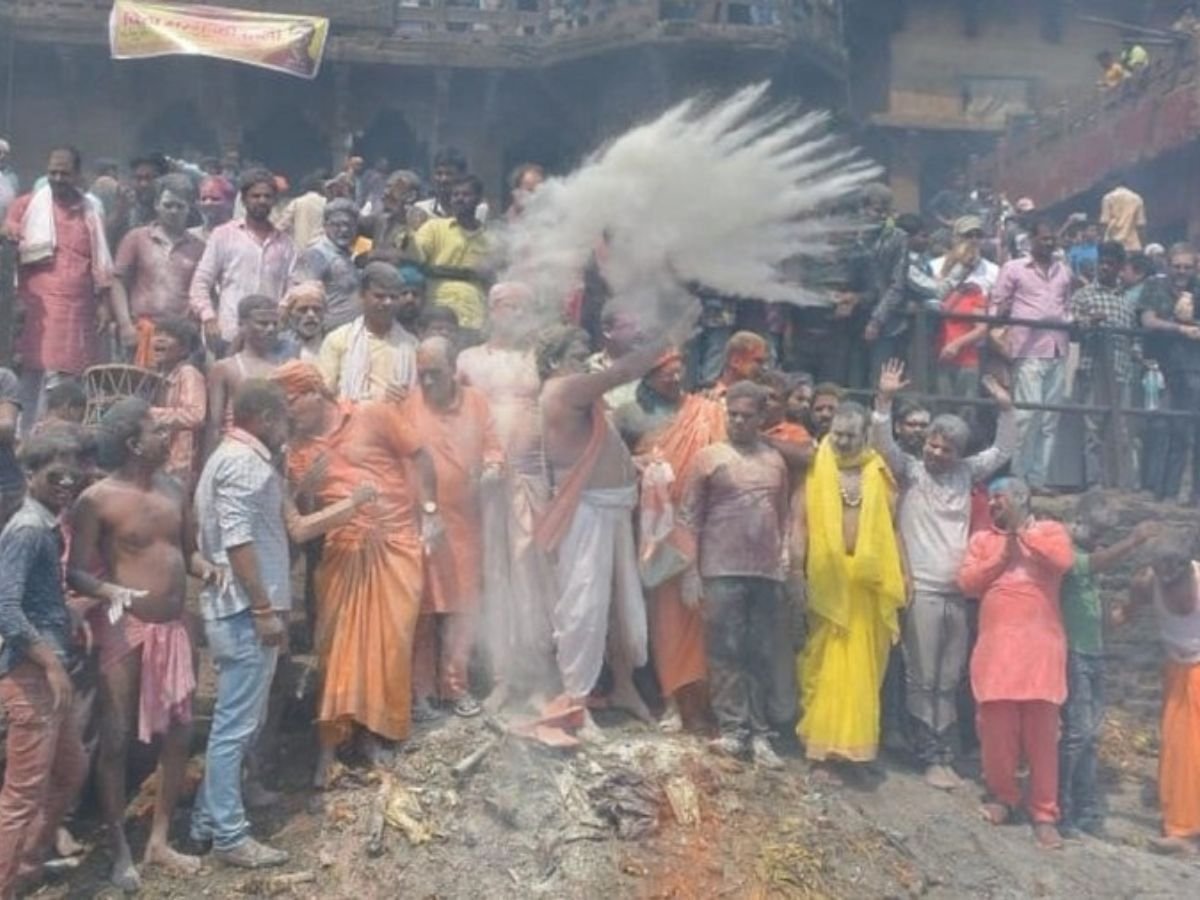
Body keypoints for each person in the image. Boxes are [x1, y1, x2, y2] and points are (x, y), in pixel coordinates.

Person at [191, 379, 373, 867]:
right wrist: (263, 610)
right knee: (234, 725)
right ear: (267, 418)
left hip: (246, 608)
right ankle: (229, 835)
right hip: (245, 613)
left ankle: (209, 820)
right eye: (284, 421)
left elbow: (287, 527)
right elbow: (239, 542)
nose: (288, 431)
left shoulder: (243, 462)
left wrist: (321, 497)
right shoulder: (242, 465)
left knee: (241, 720)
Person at [271, 362, 440, 785]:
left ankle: (373, 736)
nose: (288, 415)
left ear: (314, 392)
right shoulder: (295, 451)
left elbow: (420, 456)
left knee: (390, 645)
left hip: (397, 544)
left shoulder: (373, 414)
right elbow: (303, 520)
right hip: (343, 553)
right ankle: (329, 746)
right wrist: (303, 490)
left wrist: (431, 512)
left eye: (290, 403)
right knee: (341, 651)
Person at [66, 399, 207, 889]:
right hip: (124, 628)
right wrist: (111, 592)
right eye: (156, 429)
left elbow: (188, 555)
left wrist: (210, 569)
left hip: (174, 628)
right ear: (133, 444)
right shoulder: (97, 499)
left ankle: (160, 841)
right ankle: (119, 847)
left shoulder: (175, 487)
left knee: (181, 732)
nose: (167, 434)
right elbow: (77, 570)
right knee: (118, 735)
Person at [535, 322, 685, 732]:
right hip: (587, 514)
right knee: (584, 606)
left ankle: (623, 687)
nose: (583, 361)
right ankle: (576, 703)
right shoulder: (564, 390)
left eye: (585, 354)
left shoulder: (581, 394)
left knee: (619, 605)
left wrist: (633, 467)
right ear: (553, 361)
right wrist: (668, 335)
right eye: (575, 355)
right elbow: (622, 372)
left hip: (613, 510)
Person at [873, 361, 1016, 789]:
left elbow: (1003, 451)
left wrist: (1006, 409)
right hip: (921, 591)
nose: (936, 453)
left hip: (958, 592)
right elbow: (882, 442)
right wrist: (884, 399)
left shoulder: (965, 474)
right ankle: (930, 755)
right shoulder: (911, 471)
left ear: (958, 453)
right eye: (933, 445)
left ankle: (946, 753)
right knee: (922, 675)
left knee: (950, 678)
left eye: (945, 449)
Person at [457, 283, 558, 709]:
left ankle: (538, 679)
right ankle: (501, 677)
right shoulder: (469, 360)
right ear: (491, 311)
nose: (513, 314)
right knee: (495, 576)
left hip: (533, 478)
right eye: (506, 307)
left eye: (522, 307)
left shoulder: (539, 358)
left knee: (533, 578)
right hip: (487, 481)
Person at [958, 477, 1073, 849]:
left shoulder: (1050, 531)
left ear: (1022, 499)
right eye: (990, 499)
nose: (992, 504)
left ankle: (1044, 812)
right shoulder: (982, 540)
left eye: (999, 498)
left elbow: (1062, 561)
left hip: (1041, 651)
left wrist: (1023, 533)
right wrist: (1004, 552)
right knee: (996, 731)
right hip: (997, 653)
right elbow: (968, 583)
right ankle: (1003, 796)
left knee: (1043, 738)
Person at [681, 381, 792, 765]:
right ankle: (732, 730)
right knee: (725, 651)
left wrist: (784, 557)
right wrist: (690, 573)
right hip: (720, 569)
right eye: (734, 415)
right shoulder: (709, 457)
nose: (739, 422)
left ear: (762, 418)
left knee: (760, 653)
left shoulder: (774, 460)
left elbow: (782, 513)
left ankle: (760, 734)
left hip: (764, 570)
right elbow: (689, 517)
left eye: (748, 416)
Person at [615, 349, 726, 731]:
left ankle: (707, 703)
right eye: (666, 376)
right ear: (647, 377)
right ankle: (674, 699)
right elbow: (613, 462)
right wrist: (638, 467)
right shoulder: (631, 415)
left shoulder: (707, 410)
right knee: (667, 617)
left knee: (704, 615)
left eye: (680, 373)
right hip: (658, 529)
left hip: (707, 524)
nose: (675, 381)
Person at [0, 429, 88, 899]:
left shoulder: (45, 525)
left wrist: (68, 615)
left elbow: (36, 597)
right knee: (22, 793)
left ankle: (26, 865)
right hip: (32, 676)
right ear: (30, 475)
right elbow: (6, 608)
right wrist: (51, 664)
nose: (67, 483)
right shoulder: (29, 530)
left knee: (70, 770)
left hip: (46, 670)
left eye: (73, 475)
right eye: (56, 475)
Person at [799, 402, 905, 773]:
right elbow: (800, 520)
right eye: (837, 434)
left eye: (850, 436)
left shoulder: (877, 470)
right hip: (828, 579)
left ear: (864, 436)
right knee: (824, 666)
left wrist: (905, 574)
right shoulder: (815, 464)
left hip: (866, 582)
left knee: (862, 670)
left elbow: (892, 527)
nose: (842, 442)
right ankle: (820, 750)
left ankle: (855, 750)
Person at [407, 337, 502, 720]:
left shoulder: (477, 403)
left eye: (435, 374)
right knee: (424, 610)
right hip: (422, 521)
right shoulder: (408, 405)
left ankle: (455, 687)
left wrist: (493, 468)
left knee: (462, 610)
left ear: (454, 372)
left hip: (465, 524)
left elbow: (495, 448)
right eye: (422, 375)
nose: (427, 383)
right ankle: (421, 693)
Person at [1057, 499, 1157, 838]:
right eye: (1097, 532)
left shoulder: (1091, 569)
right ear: (1078, 521)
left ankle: (1085, 808)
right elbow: (1097, 562)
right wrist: (1134, 540)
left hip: (1094, 654)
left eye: (1105, 534)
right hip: (1072, 655)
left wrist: (1136, 602)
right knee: (1076, 734)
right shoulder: (1064, 552)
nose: (1100, 539)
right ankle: (1061, 806)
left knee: (1091, 736)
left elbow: (1106, 625)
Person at [3, 146, 112, 436]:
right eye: (52, 172)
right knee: (31, 374)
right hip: (35, 304)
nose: (57, 177)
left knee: (66, 375)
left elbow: (99, 257)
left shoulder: (89, 210)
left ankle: (57, 436)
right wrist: (10, 231)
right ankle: (22, 438)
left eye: (64, 173)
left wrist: (103, 302)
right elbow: (9, 225)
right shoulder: (27, 204)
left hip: (78, 305)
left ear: (77, 175)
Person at [1121, 541, 1200, 853]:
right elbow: (1126, 613)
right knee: (1178, 749)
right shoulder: (1146, 584)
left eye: (1176, 576)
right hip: (1178, 671)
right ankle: (1182, 828)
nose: (1169, 581)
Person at [990, 219, 1072, 491]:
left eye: (1052, 239)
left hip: (1057, 348)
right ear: (1032, 240)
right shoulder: (1014, 269)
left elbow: (1066, 306)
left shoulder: (1063, 271)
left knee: (1049, 419)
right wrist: (998, 341)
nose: (1049, 243)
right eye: (1045, 238)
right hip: (1027, 350)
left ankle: (1039, 479)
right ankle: (1018, 477)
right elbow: (998, 306)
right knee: (1027, 416)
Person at [189, 168, 296, 350]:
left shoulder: (286, 244)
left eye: (267, 196)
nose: (262, 201)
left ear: (274, 201)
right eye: (255, 196)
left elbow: (293, 288)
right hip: (228, 335)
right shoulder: (223, 235)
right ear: (244, 199)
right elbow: (200, 282)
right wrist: (208, 317)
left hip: (269, 338)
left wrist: (282, 313)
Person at [111, 174, 205, 366]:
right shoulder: (137, 238)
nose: (173, 211)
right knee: (138, 389)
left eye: (180, 206)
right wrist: (125, 325)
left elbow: (204, 291)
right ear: (156, 205)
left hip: (181, 336)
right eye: (168, 205)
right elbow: (117, 281)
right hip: (142, 330)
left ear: (189, 209)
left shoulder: (198, 247)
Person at [1138, 244, 1200, 503]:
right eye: (1177, 266)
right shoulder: (1155, 286)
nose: (1182, 272)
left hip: (1194, 368)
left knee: (1193, 432)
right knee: (1163, 429)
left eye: (1187, 267)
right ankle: (1161, 491)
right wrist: (1180, 329)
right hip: (1160, 369)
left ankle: (1195, 496)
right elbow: (1148, 321)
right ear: (1168, 265)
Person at [1072, 241, 1136, 488]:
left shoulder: (1126, 301)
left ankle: (1118, 481)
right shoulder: (1083, 295)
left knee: (1119, 428)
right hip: (1092, 368)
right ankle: (1094, 482)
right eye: (1103, 263)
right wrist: (1090, 321)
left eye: (1111, 264)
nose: (1105, 268)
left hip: (1120, 371)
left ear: (1119, 267)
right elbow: (1072, 328)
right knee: (1093, 428)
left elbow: (1133, 337)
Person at [317, 262, 420, 402]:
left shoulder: (411, 345)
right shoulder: (338, 340)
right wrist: (374, 401)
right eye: (380, 296)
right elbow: (324, 396)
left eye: (394, 297)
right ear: (362, 295)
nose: (387, 303)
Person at [414, 174, 491, 337]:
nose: (459, 199)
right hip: (437, 314)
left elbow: (492, 279)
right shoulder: (433, 228)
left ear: (479, 200)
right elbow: (414, 259)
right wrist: (465, 273)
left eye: (466, 195)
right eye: (455, 195)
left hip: (473, 318)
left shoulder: (491, 239)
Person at [205, 295, 283, 454]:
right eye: (263, 323)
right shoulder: (225, 368)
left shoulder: (283, 368)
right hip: (235, 452)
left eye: (274, 323)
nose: (270, 329)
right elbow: (214, 425)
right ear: (242, 324)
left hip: (273, 455)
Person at [932, 215, 998, 399]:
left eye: (978, 235)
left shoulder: (993, 271)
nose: (974, 240)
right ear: (956, 237)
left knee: (971, 405)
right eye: (968, 235)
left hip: (978, 348)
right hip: (940, 345)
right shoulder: (935, 267)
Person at [149, 317, 206, 489]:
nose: (159, 339)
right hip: (163, 460)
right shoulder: (159, 375)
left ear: (184, 349)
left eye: (168, 336)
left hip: (180, 462)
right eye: (157, 334)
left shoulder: (188, 373)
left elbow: (195, 415)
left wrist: (149, 414)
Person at [289, 199, 361, 331]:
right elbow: (302, 297)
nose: (343, 230)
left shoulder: (347, 254)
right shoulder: (316, 255)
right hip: (326, 335)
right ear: (325, 225)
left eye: (349, 225)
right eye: (337, 225)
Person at [586, 301, 645, 409]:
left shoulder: (650, 365)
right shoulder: (590, 368)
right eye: (629, 326)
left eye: (638, 325)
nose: (638, 330)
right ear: (607, 331)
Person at [370, 170, 427, 265]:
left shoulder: (419, 220)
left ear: (411, 196)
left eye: (393, 188)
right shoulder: (381, 219)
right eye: (386, 187)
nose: (385, 193)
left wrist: (376, 255)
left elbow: (416, 256)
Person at [706, 331, 769, 399]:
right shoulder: (706, 399)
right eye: (757, 361)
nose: (764, 367)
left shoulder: (763, 400)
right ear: (735, 361)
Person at [275, 170, 327, 252]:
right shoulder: (327, 203)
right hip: (323, 251)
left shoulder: (297, 202)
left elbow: (281, 226)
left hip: (300, 251)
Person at [279, 281, 325, 362]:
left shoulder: (334, 344)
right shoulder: (278, 345)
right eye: (303, 310)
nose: (311, 315)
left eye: (317, 309)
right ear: (290, 314)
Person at [1100, 179, 1145, 252]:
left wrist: (1102, 241)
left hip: (1112, 242)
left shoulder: (1108, 198)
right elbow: (1140, 224)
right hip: (1132, 244)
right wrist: (1142, 244)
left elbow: (1104, 222)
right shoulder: (1137, 198)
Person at [191, 175, 235, 243]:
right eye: (204, 199)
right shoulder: (191, 237)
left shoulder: (241, 235)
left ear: (230, 203)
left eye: (215, 199)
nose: (208, 203)